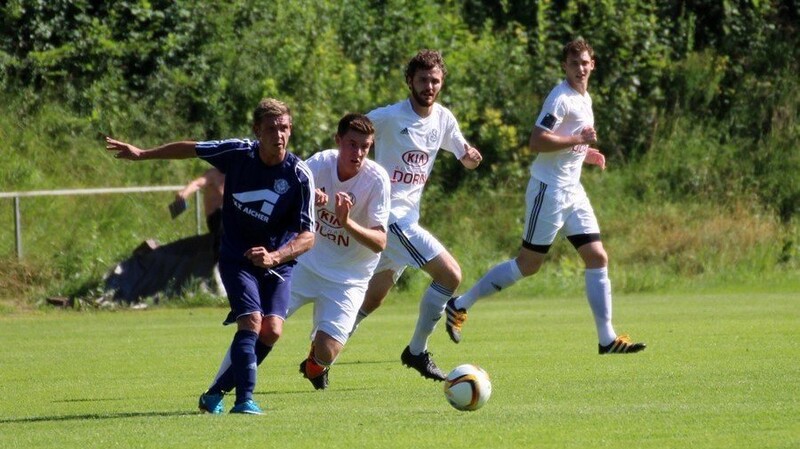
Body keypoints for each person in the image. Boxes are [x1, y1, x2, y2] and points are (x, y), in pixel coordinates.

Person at [105, 98, 316, 415]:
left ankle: (215, 393)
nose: (279, 134)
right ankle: (244, 400)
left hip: (277, 263)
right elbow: (191, 148)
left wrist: (275, 257)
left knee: (272, 331)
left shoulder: (300, 176)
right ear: (257, 130)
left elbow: (308, 236)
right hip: (236, 257)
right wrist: (144, 154)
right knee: (251, 322)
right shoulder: (237, 153)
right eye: (271, 128)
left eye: (284, 127)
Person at [444, 39, 646, 355]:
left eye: (585, 62)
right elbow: (537, 140)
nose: (580, 68)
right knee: (528, 264)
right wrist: (578, 138)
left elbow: (565, 142)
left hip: (572, 191)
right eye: (574, 63)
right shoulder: (561, 98)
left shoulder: (584, 97)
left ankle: (607, 339)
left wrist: (584, 152)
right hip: (548, 191)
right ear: (565, 66)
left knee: (597, 256)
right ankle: (460, 304)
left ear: (593, 64)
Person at [207, 113, 391, 391]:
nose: (359, 153)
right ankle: (216, 390)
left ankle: (314, 365)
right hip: (304, 264)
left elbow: (380, 242)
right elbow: (281, 197)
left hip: (348, 277)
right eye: (352, 144)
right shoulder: (318, 164)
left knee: (327, 351)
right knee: (256, 326)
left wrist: (346, 222)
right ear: (338, 140)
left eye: (365, 146)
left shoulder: (377, 180)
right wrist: (305, 200)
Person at [349, 50, 483, 381]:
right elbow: (350, 133)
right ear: (410, 80)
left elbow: (463, 154)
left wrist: (470, 157)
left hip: (404, 220)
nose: (429, 86)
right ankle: (417, 352)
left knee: (372, 299)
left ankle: (319, 358)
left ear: (442, 83)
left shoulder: (443, 119)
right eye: (423, 80)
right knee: (450, 275)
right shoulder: (389, 117)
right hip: (392, 218)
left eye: (435, 80)